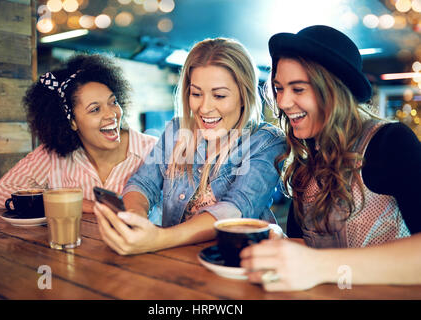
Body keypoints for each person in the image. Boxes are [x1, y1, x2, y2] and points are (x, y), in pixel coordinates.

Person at [240, 25, 421, 291]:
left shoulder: (390, 142)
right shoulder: (306, 159)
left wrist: (318, 265)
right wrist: (278, 247)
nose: (282, 102)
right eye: (279, 88)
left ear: (334, 91)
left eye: (298, 89)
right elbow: (305, 246)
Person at [93, 38, 286, 255]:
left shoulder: (266, 141)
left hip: (235, 263)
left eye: (219, 95)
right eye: (196, 94)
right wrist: (134, 219)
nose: (204, 108)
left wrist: (159, 238)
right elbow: (143, 183)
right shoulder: (177, 131)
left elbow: (235, 209)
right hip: (175, 259)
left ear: (244, 95)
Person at [0, 54, 158, 213]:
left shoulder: (153, 149)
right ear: (72, 122)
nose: (111, 114)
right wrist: (81, 204)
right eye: (95, 109)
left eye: (113, 102)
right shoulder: (51, 156)